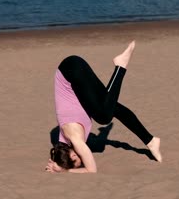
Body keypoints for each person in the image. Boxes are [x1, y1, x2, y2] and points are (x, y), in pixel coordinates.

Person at [45, 41, 162, 173]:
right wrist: (58, 164)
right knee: (112, 107)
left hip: (70, 72)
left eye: (79, 160)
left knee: (104, 116)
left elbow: (92, 170)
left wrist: (66, 171)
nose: (82, 159)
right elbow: (57, 156)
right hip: (71, 69)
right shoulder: (62, 146)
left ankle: (120, 67)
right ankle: (151, 141)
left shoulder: (75, 139)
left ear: (72, 155)